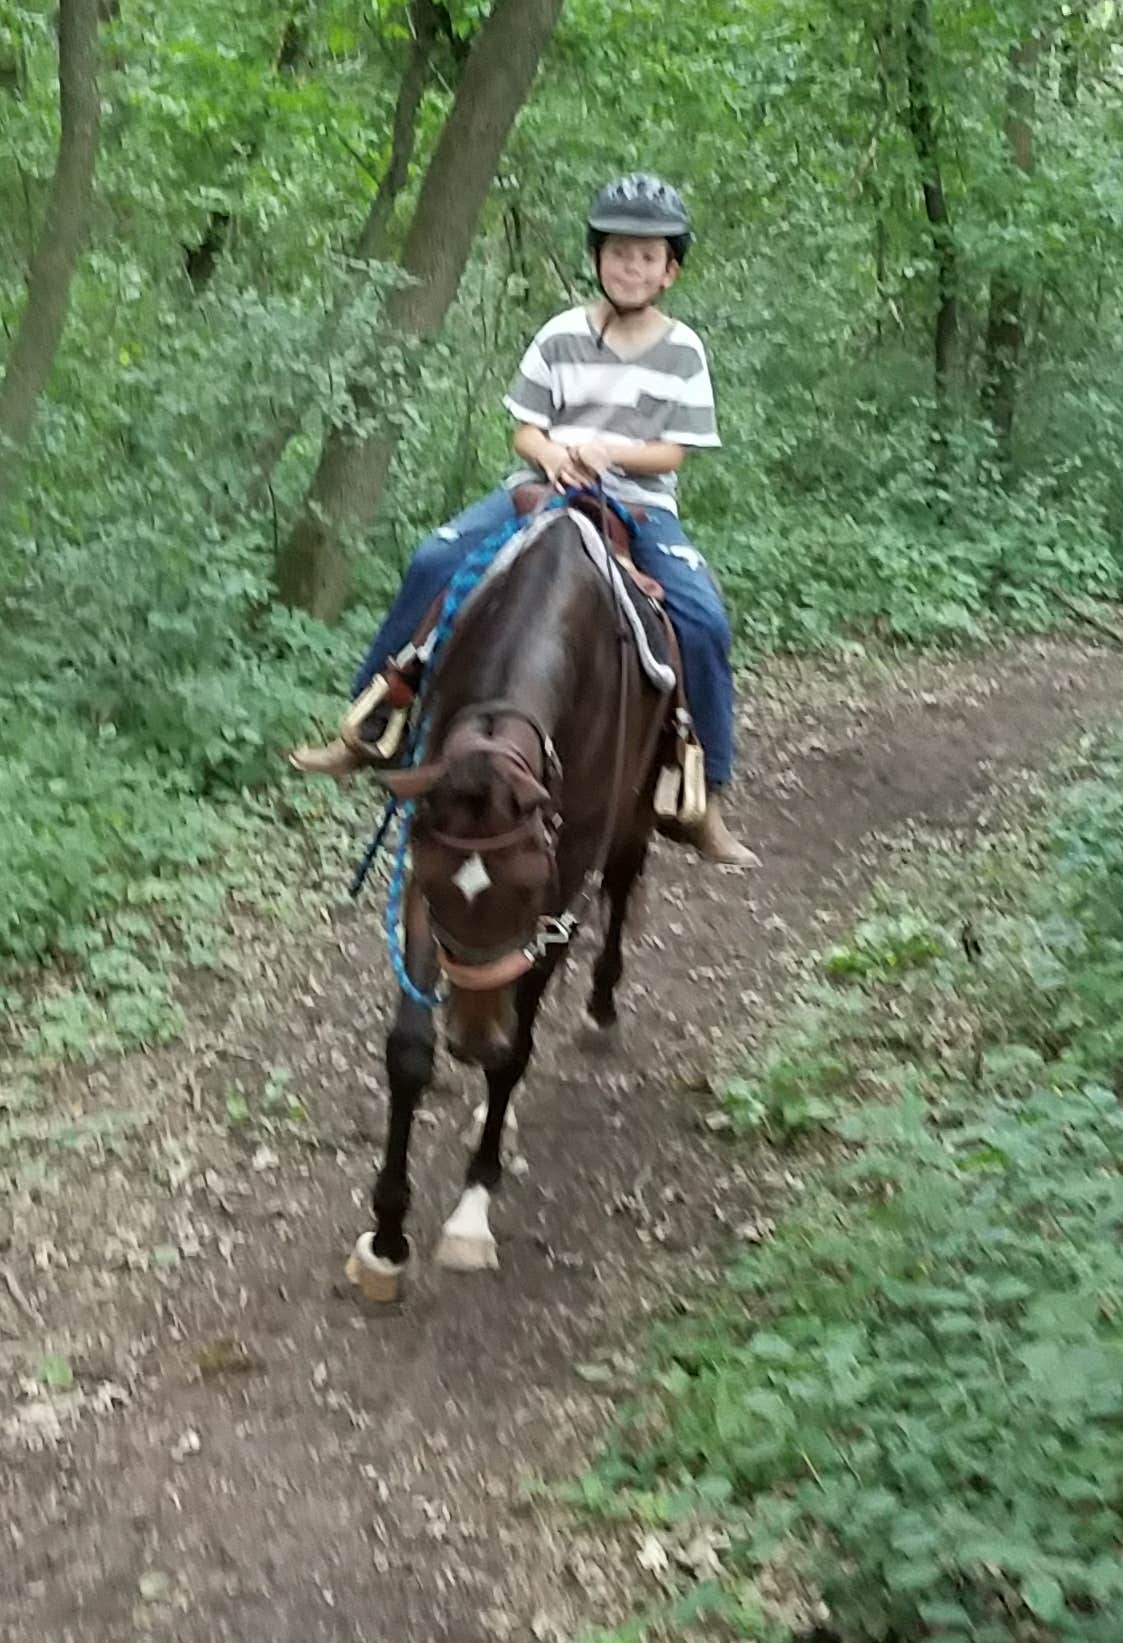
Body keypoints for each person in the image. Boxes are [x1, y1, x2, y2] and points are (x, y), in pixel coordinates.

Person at [291, 172, 752, 865]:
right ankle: (373, 721)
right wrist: (556, 455)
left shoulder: (682, 349)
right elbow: (525, 431)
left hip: (638, 502)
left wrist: (610, 452)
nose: (631, 266)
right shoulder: (560, 334)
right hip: (540, 487)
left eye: (647, 256)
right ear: (596, 258)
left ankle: (702, 795)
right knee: (434, 561)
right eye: (619, 252)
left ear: (670, 269)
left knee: (701, 617)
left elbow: (673, 452)